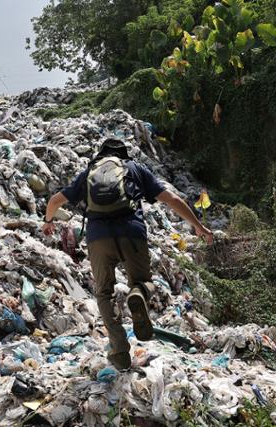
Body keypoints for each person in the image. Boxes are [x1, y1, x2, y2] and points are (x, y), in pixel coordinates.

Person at [42, 138, 213, 370]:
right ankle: (138, 294)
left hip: (98, 238)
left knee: (104, 293)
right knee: (143, 282)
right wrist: (198, 226)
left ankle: (119, 349)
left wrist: (48, 221)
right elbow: (171, 198)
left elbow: (54, 201)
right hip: (131, 232)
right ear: (124, 155)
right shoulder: (134, 169)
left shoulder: (89, 173)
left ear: (100, 155)